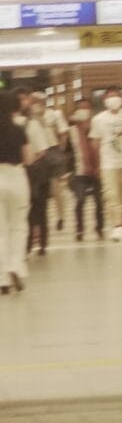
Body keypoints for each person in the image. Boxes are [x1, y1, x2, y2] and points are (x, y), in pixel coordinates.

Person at [92, 89, 122, 239]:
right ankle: (117, 226)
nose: (113, 99)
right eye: (109, 96)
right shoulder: (98, 119)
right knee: (111, 194)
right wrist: (97, 163)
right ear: (104, 100)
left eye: (116, 96)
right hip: (108, 162)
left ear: (121, 98)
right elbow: (95, 141)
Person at [19, 88, 59, 258]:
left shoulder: (33, 123)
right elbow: (42, 149)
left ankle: (38, 243)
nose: (24, 103)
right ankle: (31, 244)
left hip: (31, 172)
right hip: (28, 170)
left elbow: (43, 150)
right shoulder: (27, 123)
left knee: (37, 208)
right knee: (30, 209)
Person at [66, 94, 103, 241]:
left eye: (86, 108)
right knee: (80, 199)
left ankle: (99, 228)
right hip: (79, 171)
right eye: (80, 109)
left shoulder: (98, 126)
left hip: (98, 169)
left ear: (91, 110)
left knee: (99, 202)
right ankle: (79, 229)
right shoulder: (71, 131)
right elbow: (66, 150)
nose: (84, 111)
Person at [0, 97, 26, 295]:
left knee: (1, 230)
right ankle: (15, 267)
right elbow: (28, 157)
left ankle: (2, 278)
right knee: (18, 226)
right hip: (15, 176)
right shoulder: (18, 129)